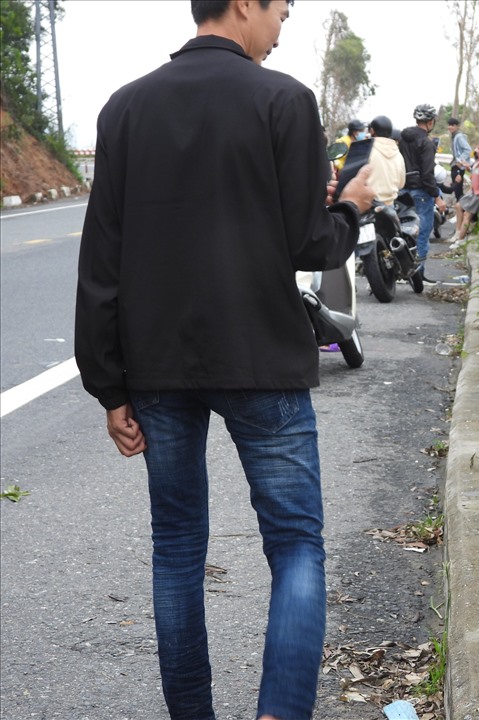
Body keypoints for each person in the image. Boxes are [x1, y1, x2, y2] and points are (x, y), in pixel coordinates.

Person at [73, 2, 375, 719]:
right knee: (297, 544)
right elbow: (310, 245)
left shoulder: (123, 108)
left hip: (156, 368)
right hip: (262, 358)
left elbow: (101, 260)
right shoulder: (284, 100)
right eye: (280, 11)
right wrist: (353, 209)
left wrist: (108, 386)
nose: (282, 27)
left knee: (177, 548)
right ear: (244, 4)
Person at [399, 103, 447, 284]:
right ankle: (418, 275)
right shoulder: (426, 143)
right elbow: (428, 174)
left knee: (405, 231)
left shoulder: (403, 139)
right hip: (421, 193)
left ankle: (402, 271)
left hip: (403, 191)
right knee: (422, 234)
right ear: (431, 121)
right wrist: (437, 197)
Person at [367, 115, 405, 205]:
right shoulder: (398, 155)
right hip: (390, 209)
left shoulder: (366, 150)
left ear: (372, 130)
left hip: (368, 206)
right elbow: (401, 184)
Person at [447, 117, 471, 200]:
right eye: (449, 125)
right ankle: (460, 208)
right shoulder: (454, 136)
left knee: (458, 190)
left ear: (457, 126)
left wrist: (460, 161)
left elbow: (468, 149)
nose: (450, 127)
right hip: (455, 165)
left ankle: (462, 208)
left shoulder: (459, 136)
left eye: (452, 125)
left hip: (459, 166)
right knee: (457, 189)